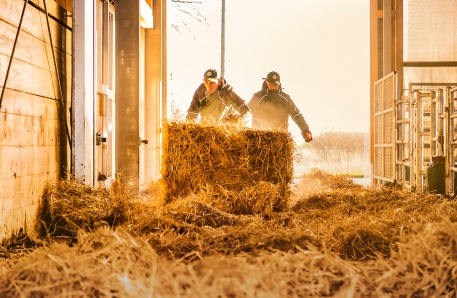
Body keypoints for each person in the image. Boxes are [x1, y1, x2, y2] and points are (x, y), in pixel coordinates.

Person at [248, 71, 313, 142]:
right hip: (259, 139)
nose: (274, 87)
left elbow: (296, 114)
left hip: (280, 139)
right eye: (272, 84)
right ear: (267, 82)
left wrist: (305, 130)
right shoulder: (258, 97)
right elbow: (247, 111)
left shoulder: (285, 99)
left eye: (276, 85)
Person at [186, 69, 251, 124]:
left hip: (225, 131)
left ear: (219, 82)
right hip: (206, 130)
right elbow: (191, 113)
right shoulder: (200, 92)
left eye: (212, 83)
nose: (209, 86)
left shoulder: (228, 92)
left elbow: (246, 111)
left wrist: (240, 120)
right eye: (206, 82)